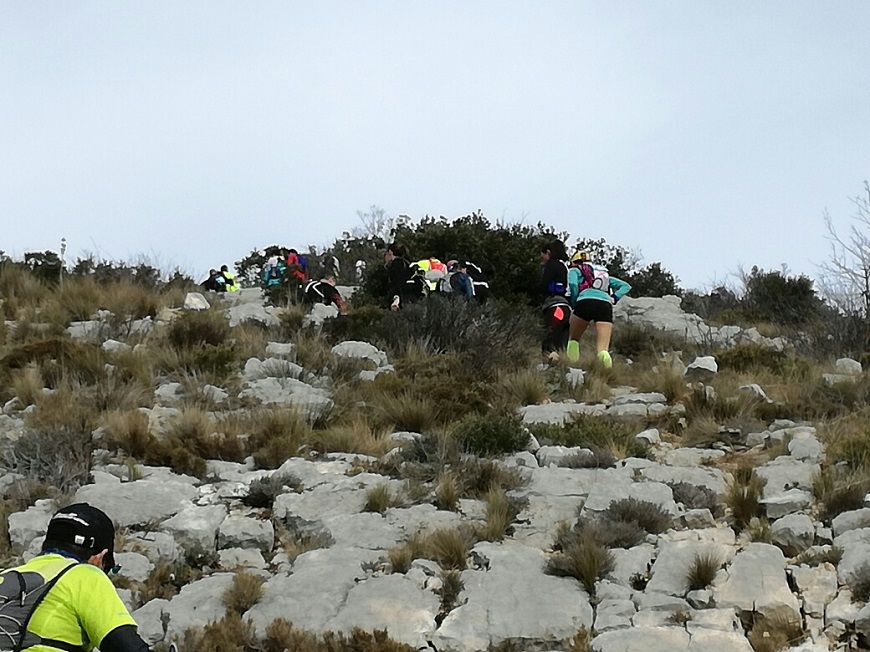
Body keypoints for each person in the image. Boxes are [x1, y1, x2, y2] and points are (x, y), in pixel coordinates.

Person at [0, 503, 151, 651]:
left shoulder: (6, 576)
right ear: (101, 557)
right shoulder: (85, 575)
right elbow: (124, 645)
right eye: (108, 567)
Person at [565, 250, 632, 368]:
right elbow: (625, 286)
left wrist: (574, 301)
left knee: (574, 339)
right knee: (603, 349)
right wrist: (614, 298)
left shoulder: (574, 270)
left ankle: (571, 367)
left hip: (584, 302)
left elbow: (573, 284)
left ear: (574, 262)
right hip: (604, 305)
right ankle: (607, 373)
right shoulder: (603, 274)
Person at [539, 239, 572, 360]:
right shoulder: (565, 266)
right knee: (561, 343)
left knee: (549, 340)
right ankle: (562, 369)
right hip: (566, 308)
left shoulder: (552, 265)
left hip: (555, 307)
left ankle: (548, 367)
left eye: (542, 256)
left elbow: (544, 284)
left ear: (548, 252)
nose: (542, 259)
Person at [384, 243, 426, 311]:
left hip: (404, 300)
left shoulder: (396, 264)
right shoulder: (407, 263)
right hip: (414, 298)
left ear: (390, 252)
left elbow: (397, 283)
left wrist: (396, 300)